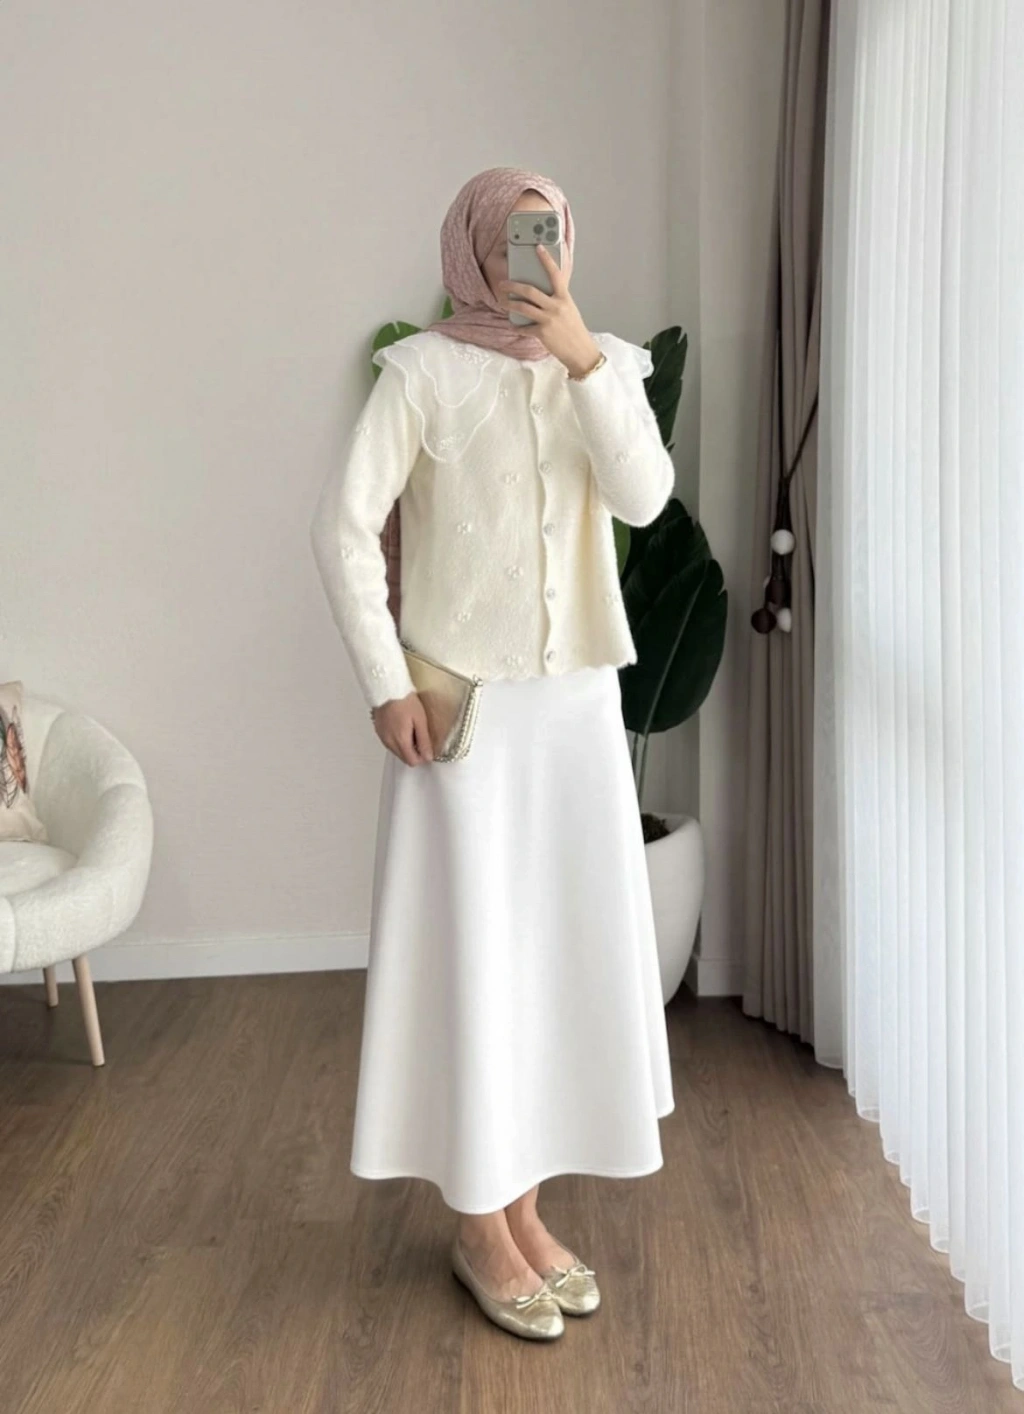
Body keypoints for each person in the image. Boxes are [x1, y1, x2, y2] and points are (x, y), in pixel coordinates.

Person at [309, 166, 675, 1341]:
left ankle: (522, 1211)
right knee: (476, 961)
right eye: (518, 235)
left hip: (574, 716)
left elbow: (644, 499)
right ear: (473, 245)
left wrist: (581, 359)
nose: (539, 255)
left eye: (552, 232)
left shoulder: (603, 364)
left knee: (553, 960)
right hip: (464, 721)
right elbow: (343, 527)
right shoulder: (420, 371)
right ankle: (478, 1225)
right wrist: (384, 683)